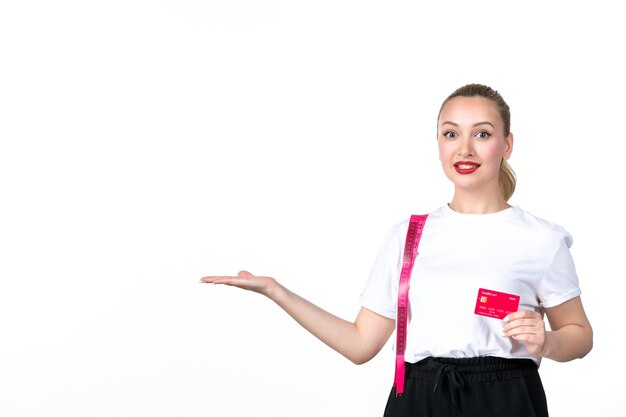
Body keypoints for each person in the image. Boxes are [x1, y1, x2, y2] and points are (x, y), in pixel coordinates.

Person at [201, 83, 593, 417]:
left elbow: (579, 335)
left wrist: (547, 341)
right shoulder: (408, 236)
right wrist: (277, 291)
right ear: (439, 143)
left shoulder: (540, 238)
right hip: (418, 398)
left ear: (506, 145)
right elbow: (360, 345)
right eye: (451, 133)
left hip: (505, 397)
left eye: (483, 134)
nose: (465, 149)